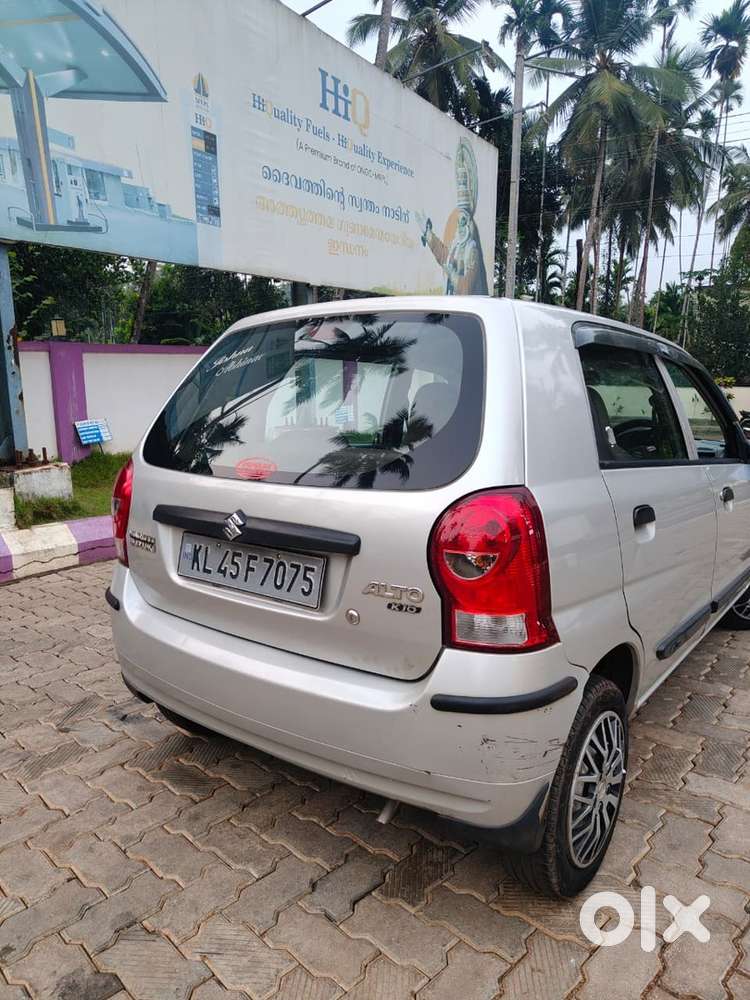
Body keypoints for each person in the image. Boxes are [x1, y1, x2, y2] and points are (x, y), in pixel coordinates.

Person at [416, 139, 488, 295]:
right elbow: (444, 256)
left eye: (463, 222)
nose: (460, 227)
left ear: (469, 224)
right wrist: (427, 233)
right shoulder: (457, 247)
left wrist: (450, 272)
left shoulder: (472, 251)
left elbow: (465, 287)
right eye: (458, 223)